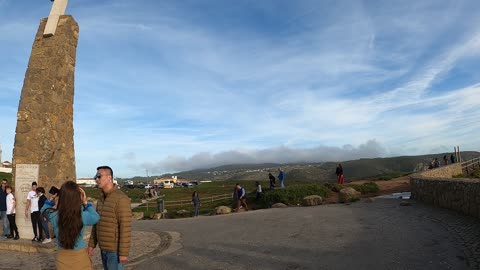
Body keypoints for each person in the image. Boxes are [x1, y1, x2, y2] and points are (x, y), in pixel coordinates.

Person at [42, 181, 100, 270]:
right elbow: (95, 217)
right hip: (80, 258)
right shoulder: (82, 215)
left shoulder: (54, 215)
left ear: (61, 197)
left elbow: (43, 210)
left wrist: (51, 199)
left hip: (62, 258)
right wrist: (85, 203)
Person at [88, 166, 132, 270]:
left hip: (115, 251)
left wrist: (123, 253)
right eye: (95, 176)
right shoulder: (101, 198)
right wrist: (91, 244)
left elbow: (125, 227)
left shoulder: (121, 199)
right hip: (103, 248)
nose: (96, 179)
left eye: (99, 176)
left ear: (109, 177)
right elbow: (96, 223)